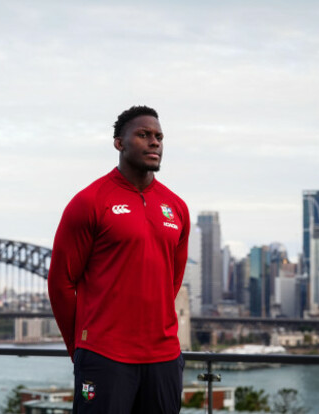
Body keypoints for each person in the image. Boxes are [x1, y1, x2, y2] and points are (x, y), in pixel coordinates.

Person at [47, 105, 190, 413]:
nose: (154, 142)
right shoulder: (89, 202)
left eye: (159, 136)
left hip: (164, 357)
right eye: (143, 135)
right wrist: (81, 347)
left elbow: (172, 281)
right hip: (102, 359)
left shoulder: (176, 207)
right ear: (119, 143)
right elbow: (61, 282)